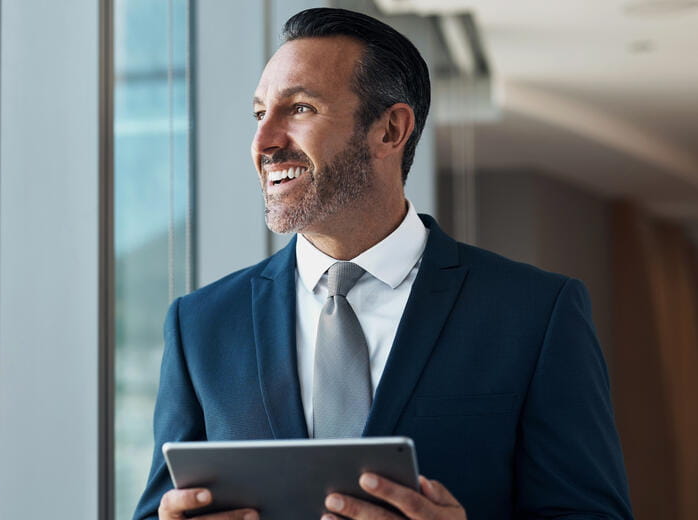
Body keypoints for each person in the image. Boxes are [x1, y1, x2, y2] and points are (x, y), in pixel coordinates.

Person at [134, 7, 633, 520]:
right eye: (260, 114)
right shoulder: (202, 325)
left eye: (300, 108)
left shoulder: (535, 312)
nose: (264, 142)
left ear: (391, 130)